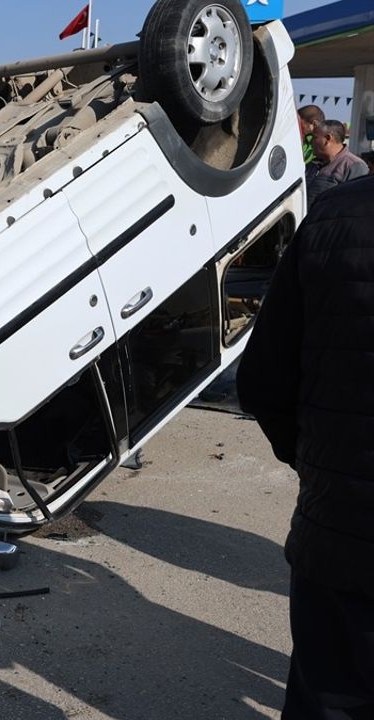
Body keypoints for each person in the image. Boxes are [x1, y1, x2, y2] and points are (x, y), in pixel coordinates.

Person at [237, 175, 374, 719]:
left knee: (330, 694)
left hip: (340, 531)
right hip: (338, 524)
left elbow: (262, 383)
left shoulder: (333, 216)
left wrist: (319, 462)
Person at [306, 120, 368, 206]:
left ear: (327, 139)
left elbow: (355, 206)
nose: (311, 142)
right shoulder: (311, 166)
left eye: (314, 137)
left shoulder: (354, 166)